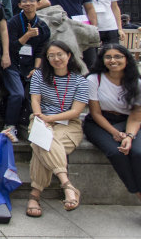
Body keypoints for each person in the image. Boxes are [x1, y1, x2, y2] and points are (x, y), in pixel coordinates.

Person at [26, 40, 88, 218]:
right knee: (43, 140)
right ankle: (67, 184)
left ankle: (35, 195)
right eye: (51, 56)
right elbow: (35, 100)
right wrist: (40, 118)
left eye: (60, 54)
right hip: (40, 119)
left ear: (69, 55)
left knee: (41, 145)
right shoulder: (39, 75)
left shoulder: (80, 80)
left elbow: (76, 111)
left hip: (69, 123)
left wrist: (51, 118)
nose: (56, 59)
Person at [83, 44, 141, 210]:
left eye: (118, 56)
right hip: (99, 123)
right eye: (108, 57)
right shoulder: (94, 79)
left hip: (127, 122)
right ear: (102, 60)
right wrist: (116, 134)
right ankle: (140, 195)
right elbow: (95, 113)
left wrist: (129, 137)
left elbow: (136, 116)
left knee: (140, 153)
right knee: (116, 153)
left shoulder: (137, 82)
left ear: (127, 59)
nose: (113, 61)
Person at [5, 0, 51, 139]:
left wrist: (36, 69)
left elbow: (40, 51)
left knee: (34, 95)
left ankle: (29, 125)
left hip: (31, 66)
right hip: (12, 64)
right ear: (19, 4)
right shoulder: (13, 22)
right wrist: (27, 36)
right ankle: (10, 126)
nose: (28, 4)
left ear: (38, 3)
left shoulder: (43, 27)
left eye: (32, 1)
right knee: (17, 94)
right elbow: (11, 46)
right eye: (24, 1)